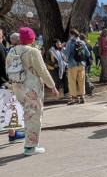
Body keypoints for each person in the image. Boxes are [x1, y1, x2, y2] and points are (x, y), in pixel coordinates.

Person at [5, 26, 59, 155]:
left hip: (18, 87)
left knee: (27, 114)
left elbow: (7, 68)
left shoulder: (12, 51)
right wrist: (52, 86)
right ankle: (31, 147)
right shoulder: (33, 51)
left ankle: (30, 143)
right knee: (34, 116)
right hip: (31, 88)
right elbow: (43, 71)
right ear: (32, 38)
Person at [63, 29, 88, 104]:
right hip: (82, 64)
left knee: (72, 81)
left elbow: (66, 53)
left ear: (71, 34)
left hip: (72, 64)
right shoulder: (82, 42)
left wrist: (62, 48)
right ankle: (82, 96)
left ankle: (73, 97)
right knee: (81, 81)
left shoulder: (70, 42)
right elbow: (88, 53)